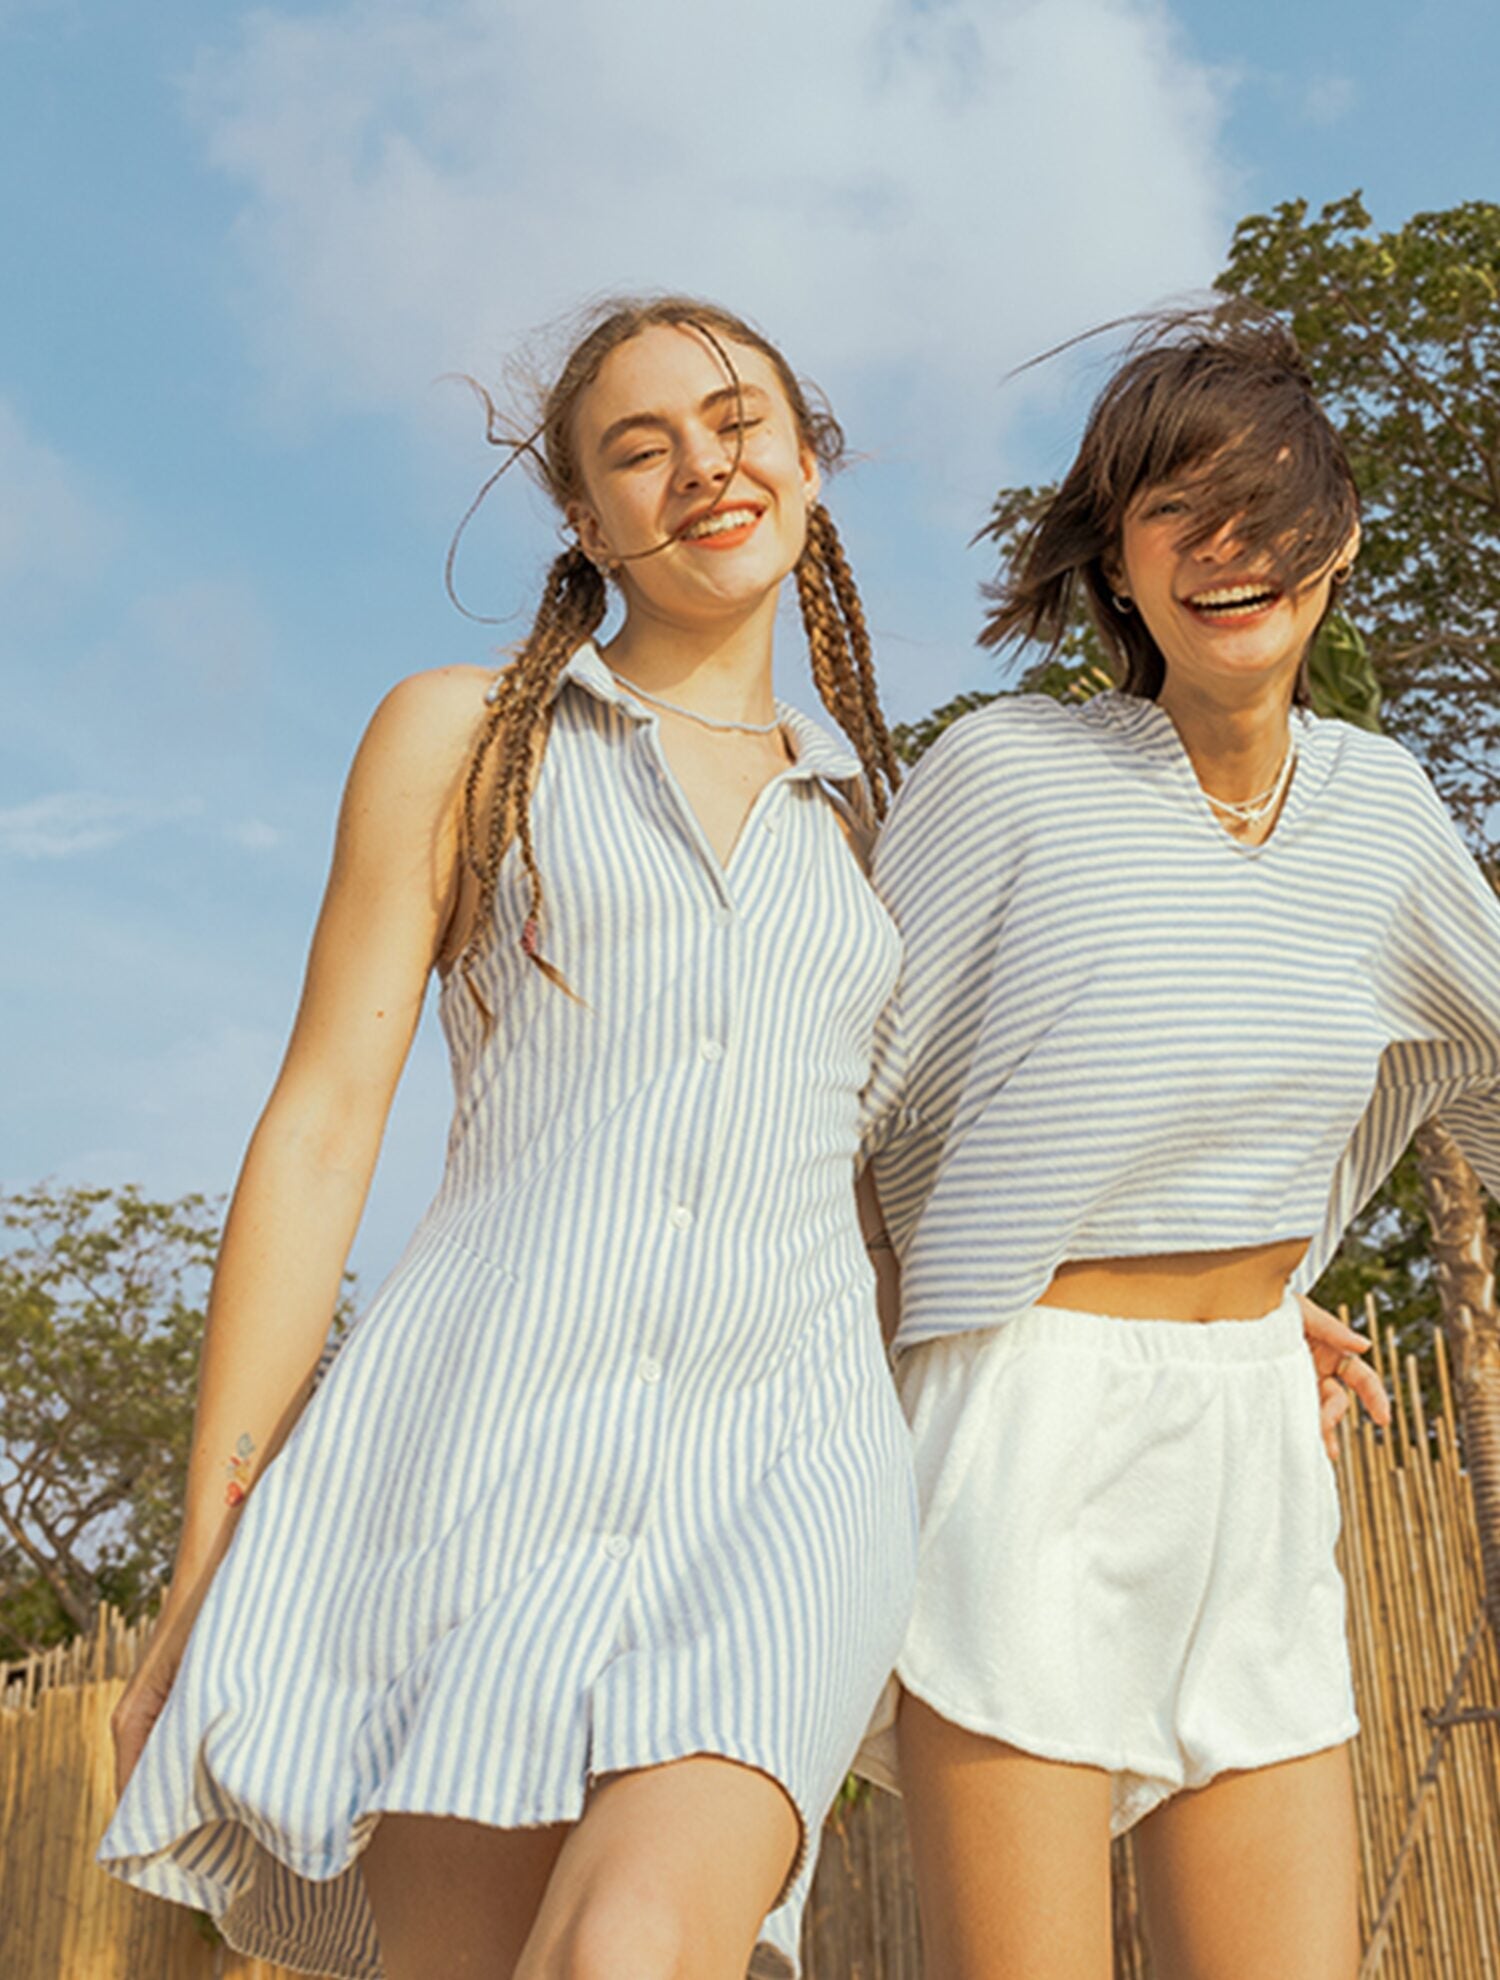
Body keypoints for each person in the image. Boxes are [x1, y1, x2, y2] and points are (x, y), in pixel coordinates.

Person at [99, 296, 919, 1980]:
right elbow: (325, 1127)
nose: (705, 465)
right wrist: (208, 1553)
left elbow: (950, 1168)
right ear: (584, 517)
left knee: (634, 1946)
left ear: (810, 459)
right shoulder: (466, 740)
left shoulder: (889, 827)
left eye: (737, 419)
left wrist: (1247, 1289)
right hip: (478, 1454)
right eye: (642, 449)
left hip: (790, 1469)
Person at [857, 305, 1499, 1979]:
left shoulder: (1387, 812)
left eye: (1271, 505)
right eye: (1174, 512)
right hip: (1021, 1431)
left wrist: (1267, 1274)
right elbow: (839, 1111)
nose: (1230, 550)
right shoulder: (1005, 776)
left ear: (1341, 537)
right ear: (1116, 563)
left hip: (1253, 1449)